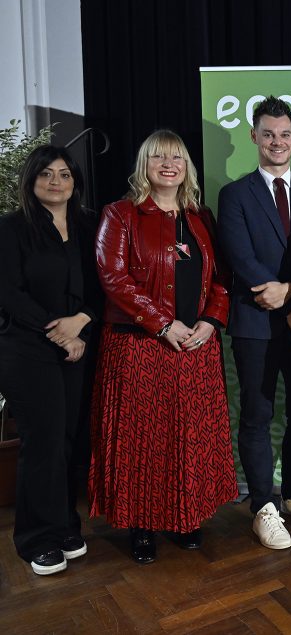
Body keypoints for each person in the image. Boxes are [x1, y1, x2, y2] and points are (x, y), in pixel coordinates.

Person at [89, 130, 236, 564]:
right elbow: (113, 278)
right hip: (139, 347)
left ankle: (188, 517)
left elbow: (223, 280)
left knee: (190, 437)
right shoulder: (121, 214)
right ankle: (143, 525)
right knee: (144, 441)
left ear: (187, 166)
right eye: (158, 157)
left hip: (197, 345)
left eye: (177, 157)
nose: (168, 164)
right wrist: (161, 324)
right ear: (144, 164)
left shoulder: (201, 217)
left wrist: (211, 321)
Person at [217, 96, 291, 550]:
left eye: (284, 134)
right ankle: (263, 506)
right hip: (255, 323)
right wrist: (283, 297)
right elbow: (239, 256)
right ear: (253, 137)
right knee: (258, 413)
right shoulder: (234, 195)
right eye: (268, 134)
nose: (277, 142)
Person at [0, 146, 101, 576]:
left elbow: (104, 281)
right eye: (46, 174)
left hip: (78, 342)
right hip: (27, 348)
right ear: (31, 179)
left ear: (75, 181)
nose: (55, 181)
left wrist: (80, 322)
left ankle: (63, 525)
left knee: (66, 440)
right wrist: (57, 332)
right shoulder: (11, 228)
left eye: (64, 174)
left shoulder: (88, 224)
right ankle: (35, 538)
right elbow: (8, 293)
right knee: (41, 443)